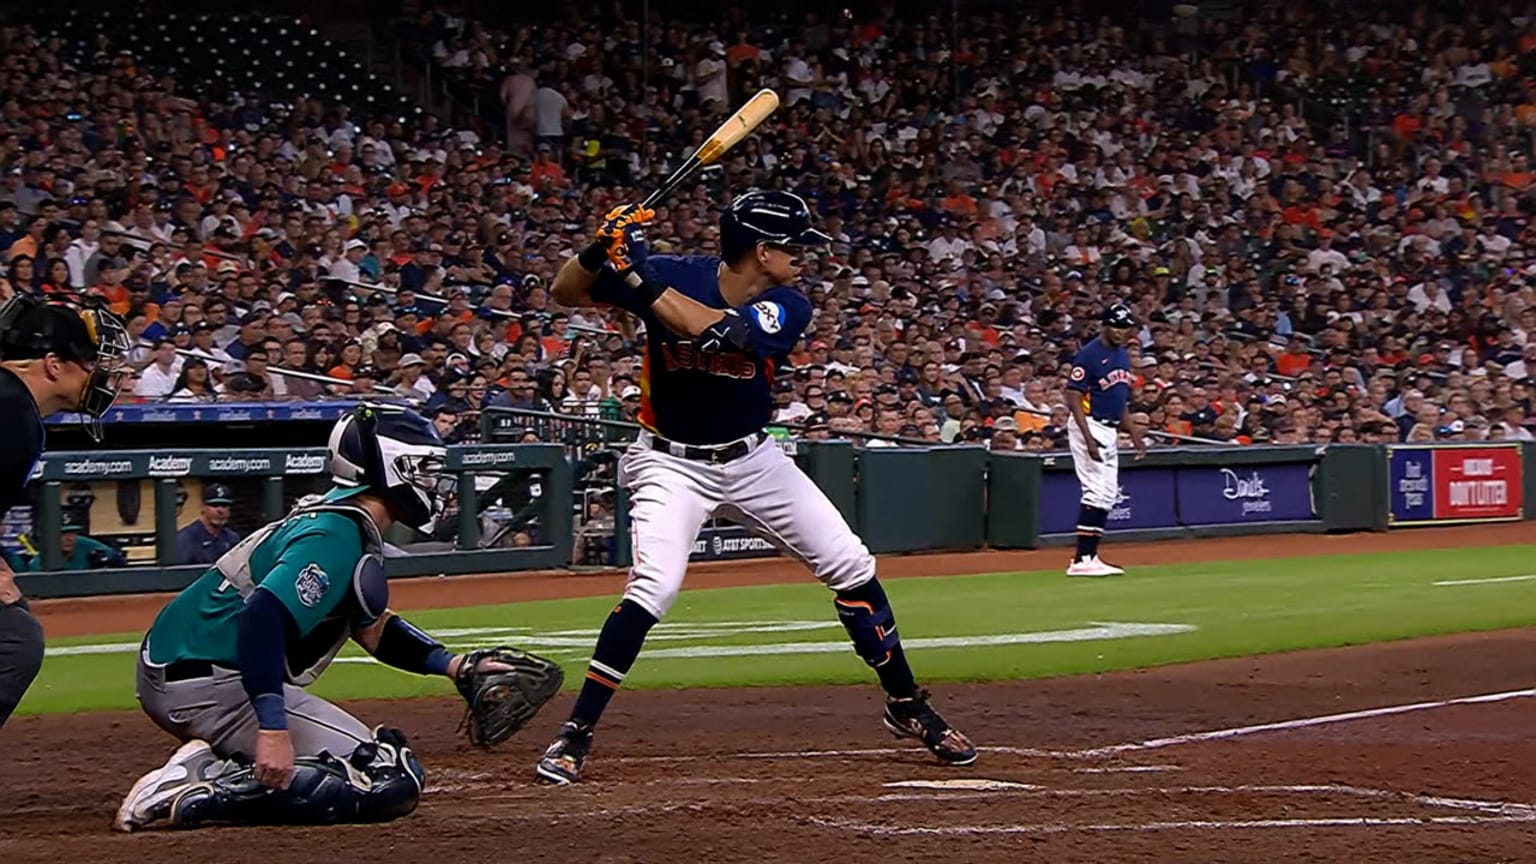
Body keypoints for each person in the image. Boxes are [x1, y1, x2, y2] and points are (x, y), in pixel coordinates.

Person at [536, 190, 976, 785]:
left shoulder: (787, 303)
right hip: (670, 462)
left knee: (851, 564)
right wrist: (598, 248)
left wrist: (632, 270)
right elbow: (565, 292)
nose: (804, 257)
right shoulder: (672, 272)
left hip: (754, 459)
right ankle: (576, 732)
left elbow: (718, 333)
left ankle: (905, 705)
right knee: (654, 588)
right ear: (762, 250)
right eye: (794, 247)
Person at [113, 405, 563, 832]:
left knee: (381, 760)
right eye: (424, 470)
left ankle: (219, 763)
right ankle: (200, 787)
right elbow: (261, 619)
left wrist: (453, 665)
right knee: (387, 780)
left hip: (189, 671)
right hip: (210, 684)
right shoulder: (335, 533)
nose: (435, 483)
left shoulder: (334, 517)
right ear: (390, 469)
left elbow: (370, 626)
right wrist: (273, 729)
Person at [0, 293, 129, 727]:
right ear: (53, 364)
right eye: (89, 363)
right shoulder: (13, 414)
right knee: (14, 640)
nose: (99, 376)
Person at [1063, 303, 1148, 577]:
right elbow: (1073, 395)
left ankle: (1091, 555)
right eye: (1115, 325)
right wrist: (1086, 437)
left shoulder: (1122, 356)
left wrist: (1134, 434)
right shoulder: (1090, 355)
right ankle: (1081, 559)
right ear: (1104, 324)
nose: (1120, 331)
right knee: (1095, 491)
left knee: (1108, 495)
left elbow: (1119, 399)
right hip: (1088, 424)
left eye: (1124, 326)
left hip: (1109, 428)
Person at [27, 507, 125, 571]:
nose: (69, 538)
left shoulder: (82, 543)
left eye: (72, 533)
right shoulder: (39, 563)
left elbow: (115, 557)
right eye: (63, 534)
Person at [175, 483, 241, 566]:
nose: (220, 510)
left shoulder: (232, 538)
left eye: (224, 506)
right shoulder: (186, 538)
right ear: (203, 507)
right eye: (214, 505)